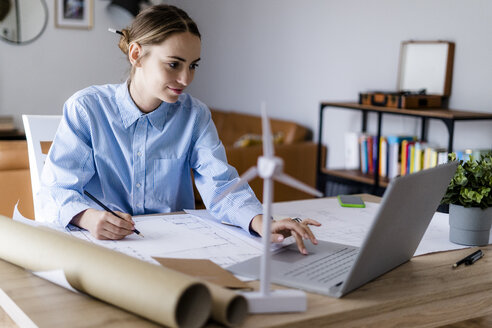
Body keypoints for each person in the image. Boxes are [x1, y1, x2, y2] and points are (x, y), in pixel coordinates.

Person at [38, 4, 320, 254]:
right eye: (173, 64)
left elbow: (220, 185)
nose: (185, 78)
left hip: (176, 248)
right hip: (102, 249)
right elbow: (56, 189)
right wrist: (87, 218)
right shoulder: (87, 109)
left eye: (193, 66)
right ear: (137, 54)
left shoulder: (194, 115)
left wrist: (262, 222)